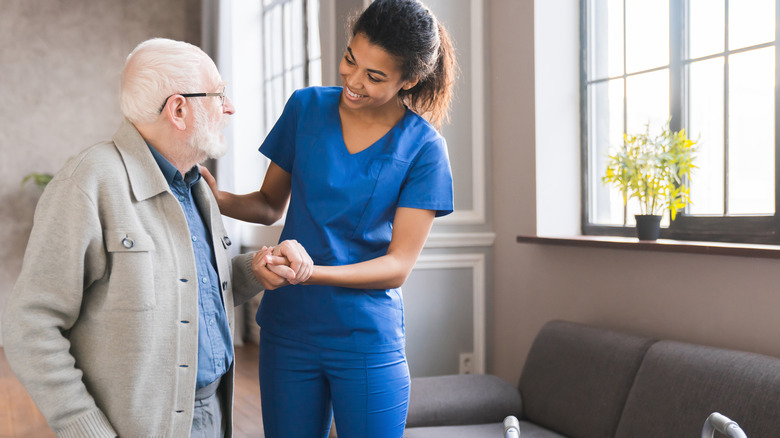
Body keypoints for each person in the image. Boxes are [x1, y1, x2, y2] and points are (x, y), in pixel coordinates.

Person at [2, 38, 310, 438]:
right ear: (178, 109)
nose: (230, 107)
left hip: (214, 411)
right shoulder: (87, 183)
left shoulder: (197, 186)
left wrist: (256, 269)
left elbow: (190, 289)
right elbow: (31, 325)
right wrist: (86, 429)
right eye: (219, 94)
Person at [201, 1, 457, 436]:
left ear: (408, 80)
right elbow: (268, 204)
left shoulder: (424, 148)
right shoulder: (305, 109)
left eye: (375, 77)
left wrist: (310, 273)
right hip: (288, 330)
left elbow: (397, 267)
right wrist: (214, 197)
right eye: (350, 60)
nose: (353, 82)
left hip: (365, 338)